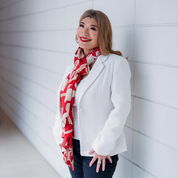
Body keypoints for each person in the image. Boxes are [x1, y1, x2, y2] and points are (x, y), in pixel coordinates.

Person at [52, 9, 131, 178]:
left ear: (103, 33)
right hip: (72, 146)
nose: (84, 32)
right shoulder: (72, 69)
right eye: (82, 25)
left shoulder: (115, 64)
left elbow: (121, 108)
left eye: (92, 28)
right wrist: (60, 137)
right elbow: (62, 106)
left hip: (99, 149)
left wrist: (103, 146)